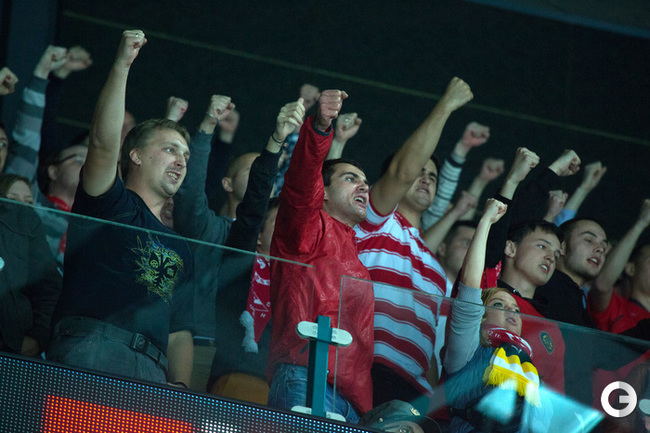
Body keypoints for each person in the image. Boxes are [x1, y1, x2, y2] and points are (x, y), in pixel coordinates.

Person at [48, 30, 194, 387]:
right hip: (93, 349)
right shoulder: (109, 202)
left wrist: (182, 391)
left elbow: (179, 332)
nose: (181, 161)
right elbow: (101, 143)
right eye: (170, 149)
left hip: (154, 372)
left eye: (185, 155)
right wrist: (122, 65)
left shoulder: (183, 247)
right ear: (135, 155)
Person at [354, 77, 473, 409]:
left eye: (433, 176)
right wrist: (446, 105)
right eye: (421, 170)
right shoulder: (376, 220)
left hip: (413, 394)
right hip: (364, 369)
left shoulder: (435, 268)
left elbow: (429, 347)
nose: (426, 178)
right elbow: (401, 172)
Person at [267, 89, 373, 422]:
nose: (364, 187)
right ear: (322, 192)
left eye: (365, 182)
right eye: (351, 179)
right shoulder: (306, 229)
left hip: (352, 403)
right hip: (306, 379)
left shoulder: (355, 251)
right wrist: (321, 128)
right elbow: (301, 181)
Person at [208, 98, 304, 404]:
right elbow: (253, 208)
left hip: (286, 394)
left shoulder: (296, 278)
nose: (288, 232)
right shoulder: (241, 260)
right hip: (237, 382)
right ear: (258, 237)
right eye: (280, 224)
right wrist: (277, 141)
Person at [443, 198, 550, 432]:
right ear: (480, 316)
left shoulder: (528, 369)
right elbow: (470, 286)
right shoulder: (467, 350)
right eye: (500, 305)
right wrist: (485, 222)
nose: (512, 312)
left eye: (516, 310)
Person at [4, 45, 92, 269]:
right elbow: (27, 140)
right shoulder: (28, 199)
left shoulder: (95, 224)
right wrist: (42, 73)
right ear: (53, 170)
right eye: (78, 160)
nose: (87, 167)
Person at [0, 121, 62, 358]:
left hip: (8, 348)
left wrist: (36, 338)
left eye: (2, 144)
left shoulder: (24, 219)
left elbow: (48, 285)